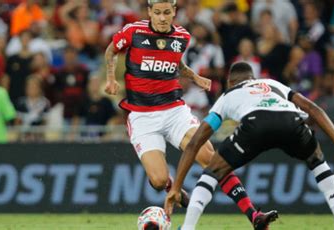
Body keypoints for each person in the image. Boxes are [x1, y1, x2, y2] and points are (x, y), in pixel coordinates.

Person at [103, 0, 275, 229]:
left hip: (174, 110)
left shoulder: (182, 37)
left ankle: (254, 215)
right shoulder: (134, 31)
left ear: (174, 12)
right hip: (142, 115)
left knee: (211, 159)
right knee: (158, 180)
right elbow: (111, 50)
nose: (162, 18)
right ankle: (174, 188)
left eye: (167, 13)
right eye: (157, 13)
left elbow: (178, 64)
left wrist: (194, 77)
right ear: (149, 12)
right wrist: (111, 78)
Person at [165, 62, 334, 230]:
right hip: (291, 121)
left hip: (256, 124)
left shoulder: (227, 96)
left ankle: (188, 228)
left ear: (230, 82)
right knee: (317, 161)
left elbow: (195, 143)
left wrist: (176, 187)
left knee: (213, 171)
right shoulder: (272, 84)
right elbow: (312, 108)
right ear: (253, 78)